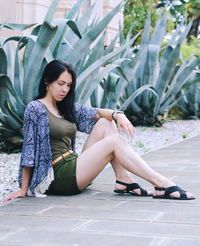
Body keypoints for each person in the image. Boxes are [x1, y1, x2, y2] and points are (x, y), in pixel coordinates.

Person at [4, 60, 195, 202]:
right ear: (47, 81)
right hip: (58, 177)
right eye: (60, 84)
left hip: (75, 165)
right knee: (114, 142)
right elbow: (29, 148)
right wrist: (24, 188)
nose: (65, 90)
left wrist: (118, 115)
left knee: (105, 122)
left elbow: (96, 113)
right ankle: (161, 182)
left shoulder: (65, 107)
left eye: (69, 85)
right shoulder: (35, 108)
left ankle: (123, 179)